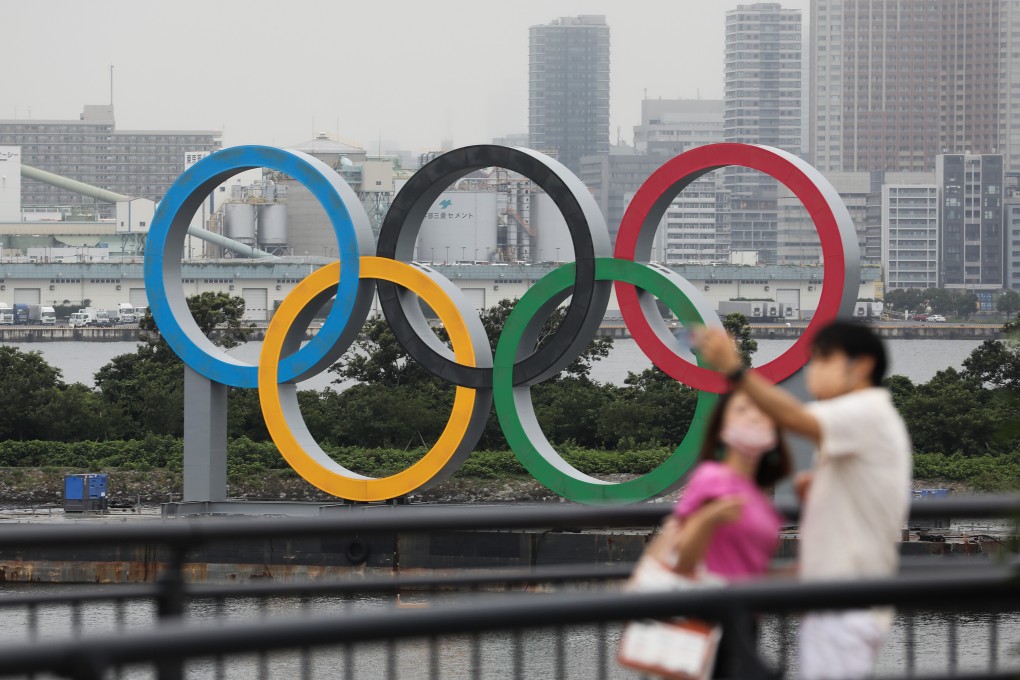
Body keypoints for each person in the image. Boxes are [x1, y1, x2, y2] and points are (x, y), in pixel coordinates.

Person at [694, 320, 912, 680]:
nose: (814, 371)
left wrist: (734, 371)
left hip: (844, 608)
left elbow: (795, 418)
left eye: (824, 359)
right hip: (838, 602)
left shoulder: (867, 411)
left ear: (861, 365)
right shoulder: (862, 424)